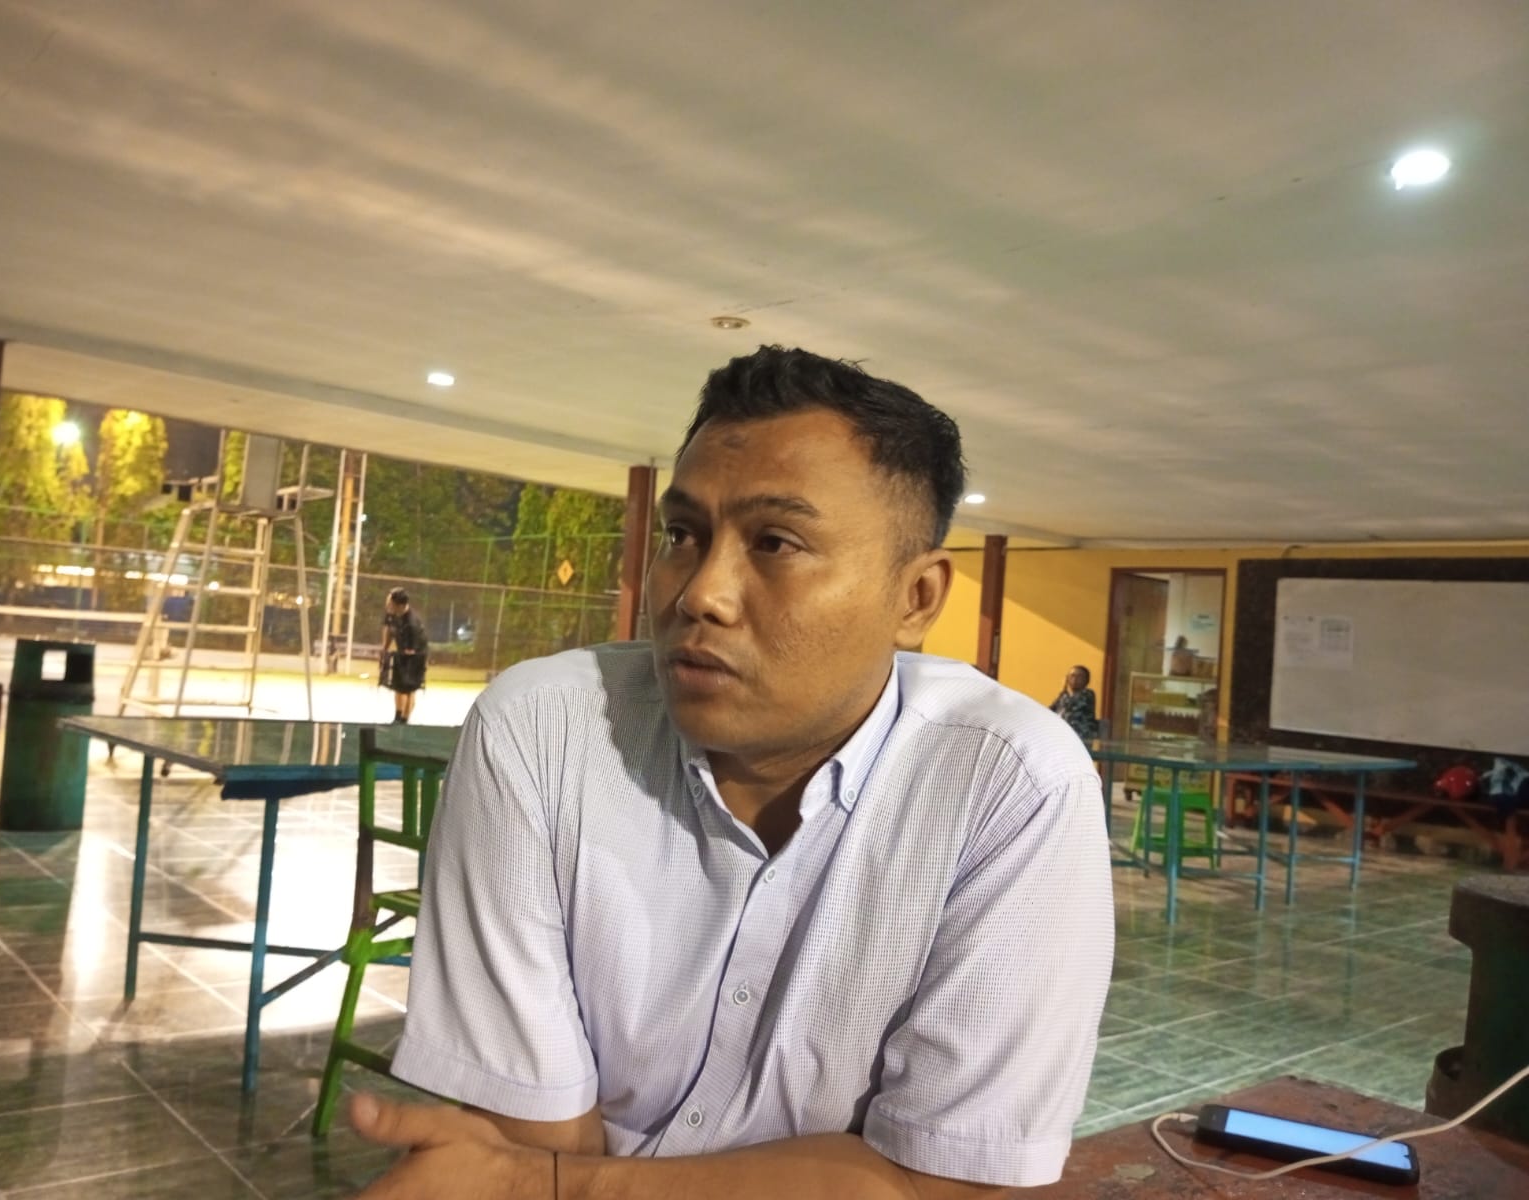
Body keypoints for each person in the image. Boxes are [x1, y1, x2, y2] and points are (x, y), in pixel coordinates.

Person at [350, 347, 1113, 1198]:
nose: (699, 594)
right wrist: (542, 1174)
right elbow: (536, 1131)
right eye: (683, 536)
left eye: (776, 542)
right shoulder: (544, 733)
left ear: (916, 599)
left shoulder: (1009, 785)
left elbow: (948, 1182)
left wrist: (550, 1187)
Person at [380, 588, 427, 724]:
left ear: (399, 605)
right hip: (402, 652)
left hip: (415, 655)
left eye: (390, 602)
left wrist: (400, 658)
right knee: (398, 686)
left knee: (408, 687)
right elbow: (389, 630)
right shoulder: (392, 614)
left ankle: (404, 719)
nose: (388, 605)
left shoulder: (411, 624)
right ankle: (397, 716)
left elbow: (411, 651)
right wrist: (384, 649)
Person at [1050, 665, 1100, 742]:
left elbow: (1071, 706)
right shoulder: (1064, 696)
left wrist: (1063, 688)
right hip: (1061, 734)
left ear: (1086, 680)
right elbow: (1050, 710)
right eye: (1072, 676)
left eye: (1079, 676)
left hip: (1080, 735)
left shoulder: (1088, 694)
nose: (1075, 679)